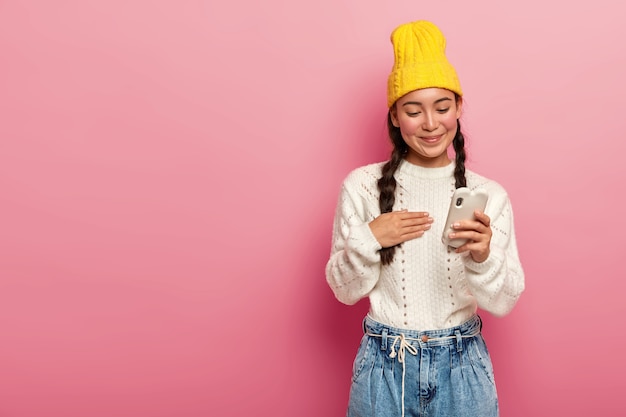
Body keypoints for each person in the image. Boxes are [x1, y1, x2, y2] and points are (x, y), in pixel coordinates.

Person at [325, 20, 525, 417]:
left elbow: (504, 302)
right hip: (384, 367)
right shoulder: (363, 187)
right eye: (413, 111)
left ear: (459, 108)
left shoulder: (489, 196)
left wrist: (483, 257)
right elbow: (343, 291)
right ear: (396, 117)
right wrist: (370, 238)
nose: (431, 124)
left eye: (443, 107)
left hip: (463, 368)